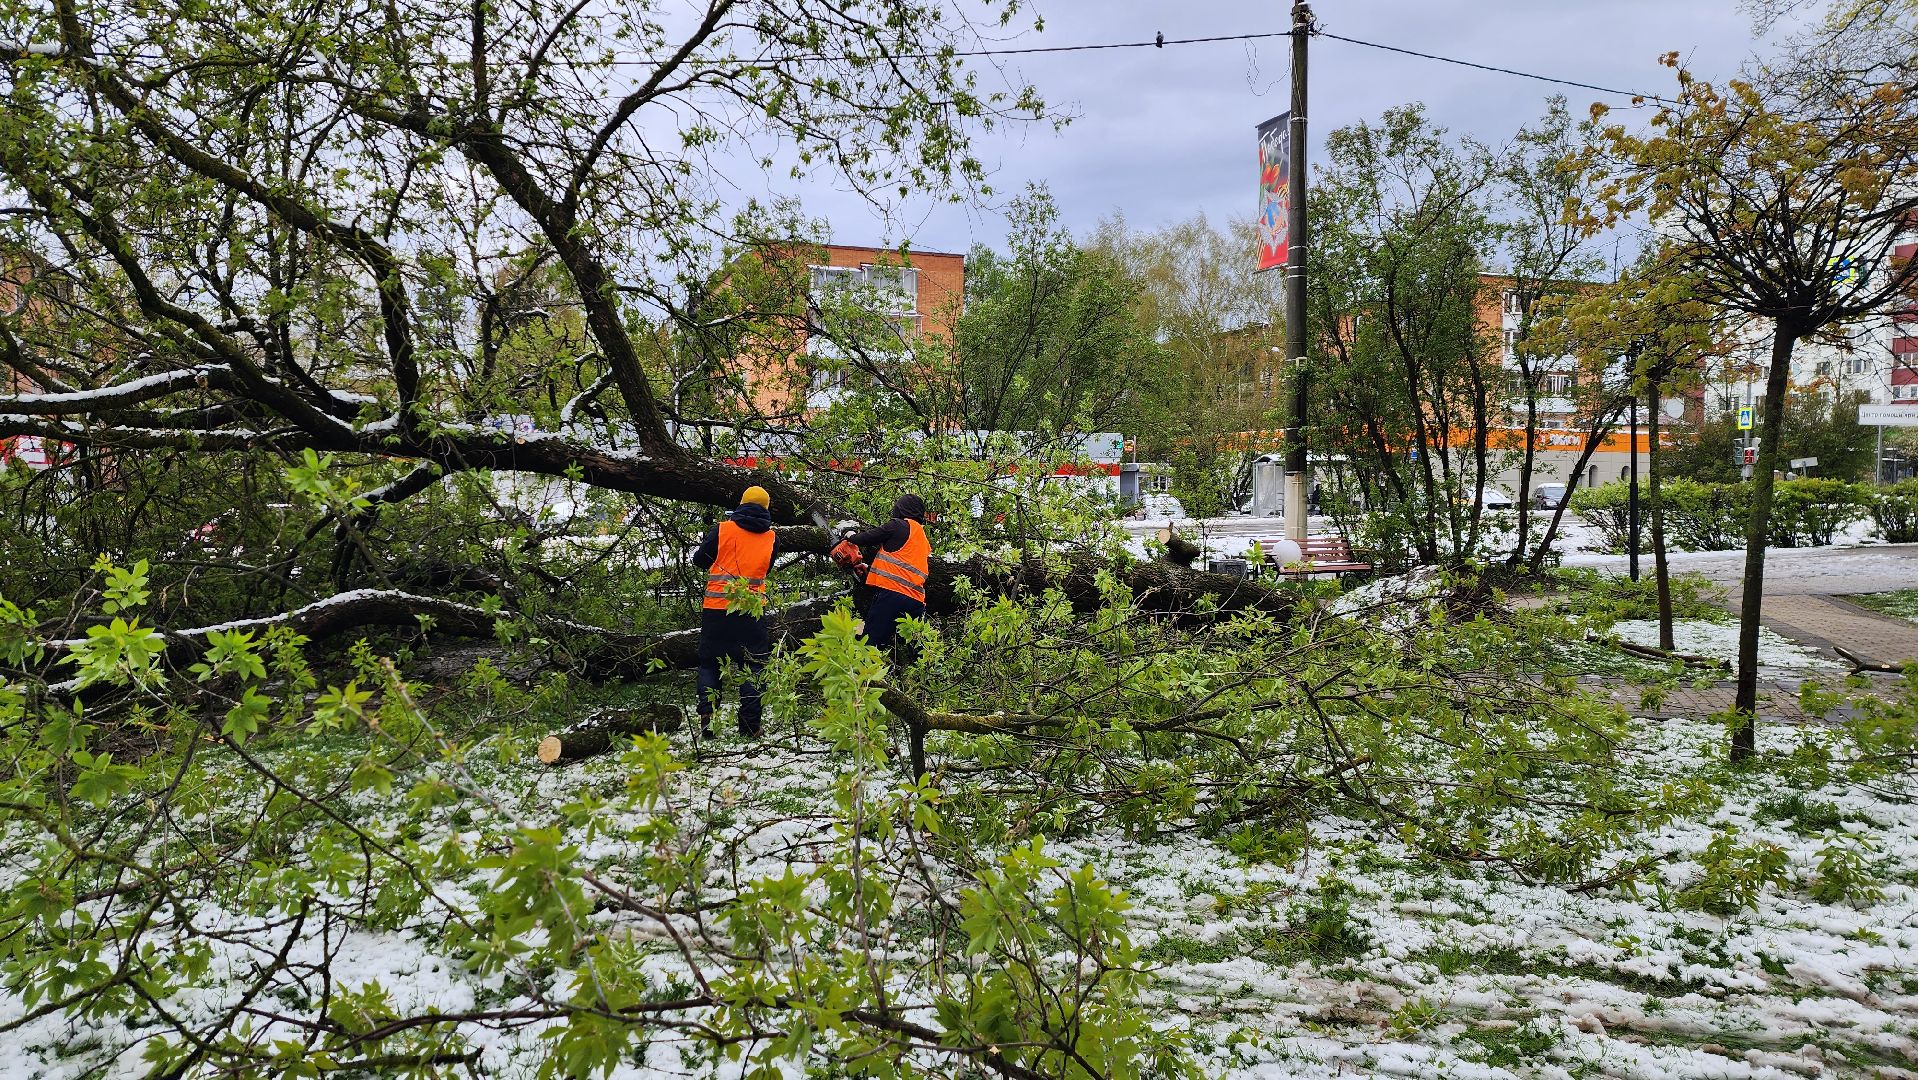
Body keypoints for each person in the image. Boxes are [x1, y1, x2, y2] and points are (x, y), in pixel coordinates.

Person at [691, 485, 779, 738]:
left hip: (717, 610)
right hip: (752, 613)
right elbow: (766, 569)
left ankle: (709, 722)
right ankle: (750, 727)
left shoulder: (722, 530)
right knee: (753, 666)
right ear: (766, 508)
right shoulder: (772, 538)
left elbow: (699, 561)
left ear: (741, 504)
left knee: (710, 664)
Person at [840, 494, 931, 660]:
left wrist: (851, 536)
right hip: (916, 601)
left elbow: (869, 537)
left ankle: (864, 677)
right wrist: (870, 570)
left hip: (892, 595)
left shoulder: (898, 525)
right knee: (918, 649)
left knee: (872, 641)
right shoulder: (923, 538)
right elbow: (904, 565)